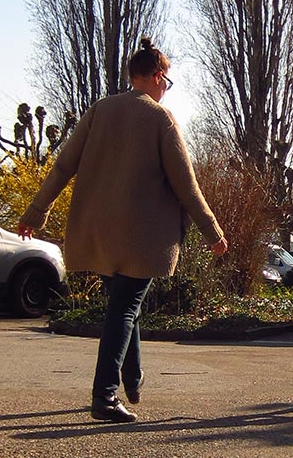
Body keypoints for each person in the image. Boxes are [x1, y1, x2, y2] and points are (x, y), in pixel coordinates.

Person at [18, 37, 228, 425]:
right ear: (158, 76)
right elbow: (186, 184)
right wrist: (212, 231)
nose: (166, 90)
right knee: (125, 308)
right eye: (167, 82)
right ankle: (104, 395)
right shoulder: (160, 118)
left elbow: (64, 166)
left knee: (123, 305)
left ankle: (132, 378)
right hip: (141, 237)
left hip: (99, 233)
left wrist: (36, 212)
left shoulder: (100, 109)